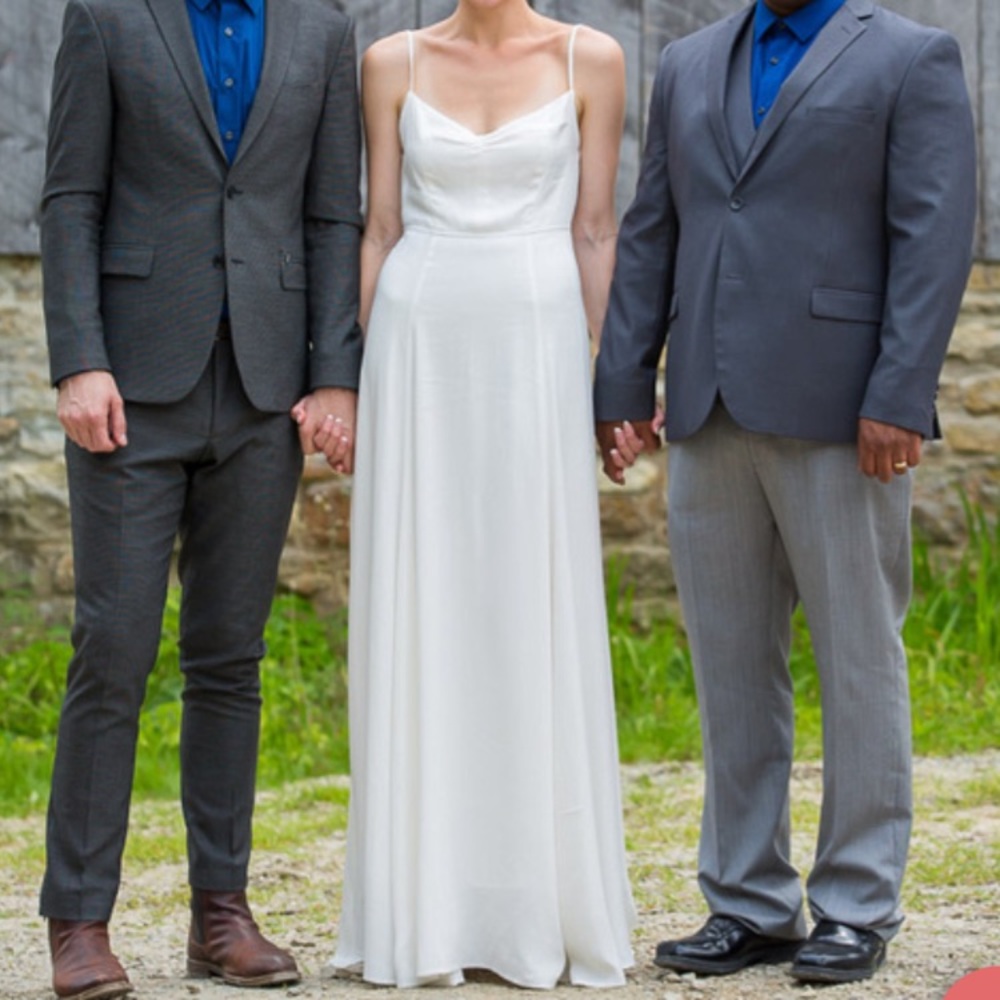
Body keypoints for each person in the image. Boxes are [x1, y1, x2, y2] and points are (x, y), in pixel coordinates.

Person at [595, 0, 976, 986]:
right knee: (730, 668)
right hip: (707, 406)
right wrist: (623, 382)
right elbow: (652, 229)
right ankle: (748, 900)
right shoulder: (688, 62)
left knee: (859, 660)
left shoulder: (912, 58)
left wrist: (899, 393)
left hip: (843, 410)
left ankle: (856, 902)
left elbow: (933, 234)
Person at [39, 0, 362, 997]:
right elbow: (70, 199)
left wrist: (334, 374)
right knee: (114, 647)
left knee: (230, 657)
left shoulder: (322, 30)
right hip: (131, 387)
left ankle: (221, 914)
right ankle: (79, 920)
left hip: (264, 386)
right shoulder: (106, 16)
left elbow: (331, 215)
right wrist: (79, 359)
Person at [331, 0, 635, 988]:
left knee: (525, 601)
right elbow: (380, 227)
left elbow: (595, 229)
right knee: (427, 602)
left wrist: (615, 385)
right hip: (419, 344)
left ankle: (538, 903)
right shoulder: (390, 61)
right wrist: (356, 383)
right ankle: (424, 908)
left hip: (537, 344)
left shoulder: (592, 59)